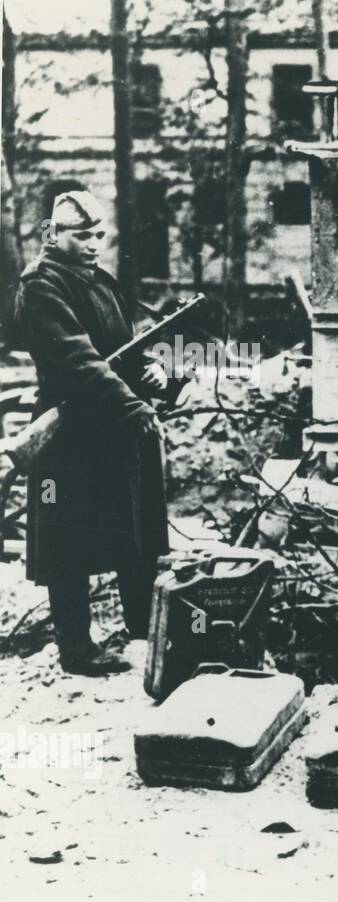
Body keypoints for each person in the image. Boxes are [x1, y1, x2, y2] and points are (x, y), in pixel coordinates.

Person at [14, 190, 170, 675]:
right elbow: (79, 360)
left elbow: (122, 346)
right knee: (67, 546)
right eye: (81, 235)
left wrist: (152, 373)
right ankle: (77, 653)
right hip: (70, 436)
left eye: (99, 234)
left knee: (135, 533)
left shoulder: (99, 281)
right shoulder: (41, 287)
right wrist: (132, 406)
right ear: (51, 234)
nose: (92, 244)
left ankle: (145, 638)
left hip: (112, 430)